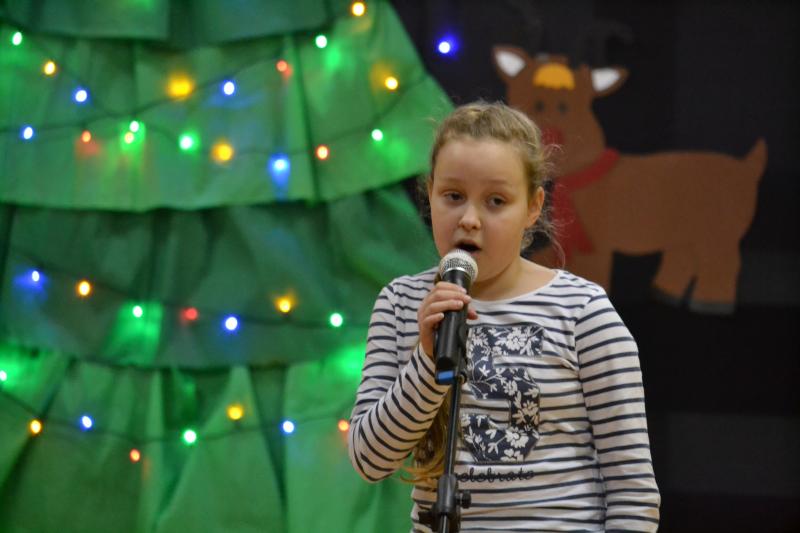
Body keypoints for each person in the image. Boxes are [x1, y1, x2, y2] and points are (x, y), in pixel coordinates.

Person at [348, 101, 660, 532]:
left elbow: (633, 490)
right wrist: (426, 361)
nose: (469, 220)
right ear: (430, 194)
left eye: (496, 201)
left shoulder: (582, 312)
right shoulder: (401, 303)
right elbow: (369, 460)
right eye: (453, 196)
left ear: (533, 207)